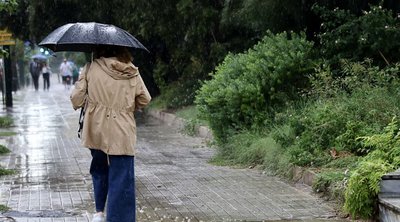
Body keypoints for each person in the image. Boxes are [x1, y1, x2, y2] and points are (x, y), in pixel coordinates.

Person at [70, 46, 151, 222]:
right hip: (122, 130)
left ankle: (99, 213)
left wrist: (91, 100)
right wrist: (126, 108)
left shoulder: (91, 68)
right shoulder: (131, 71)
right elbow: (145, 99)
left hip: (96, 128)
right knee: (121, 177)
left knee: (99, 169)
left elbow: (76, 99)